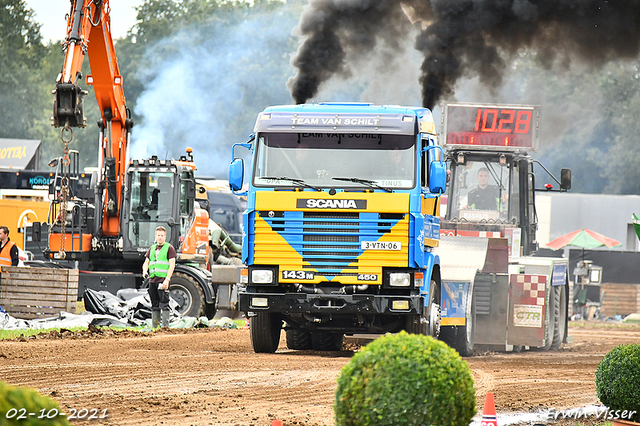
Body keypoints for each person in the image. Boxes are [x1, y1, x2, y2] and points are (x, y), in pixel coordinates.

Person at [142, 226, 176, 328]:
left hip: (163, 281)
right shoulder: (152, 248)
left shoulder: (169, 248)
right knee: (154, 304)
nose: (160, 237)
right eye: (158, 235)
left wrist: (167, 280)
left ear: (165, 237)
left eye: (162, 236)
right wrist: (144, 271)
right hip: (153, 280)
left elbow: (172, 265)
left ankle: (165, 328)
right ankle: (155, 328)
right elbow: (146, 262)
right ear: (155, 236)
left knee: (164, 304)